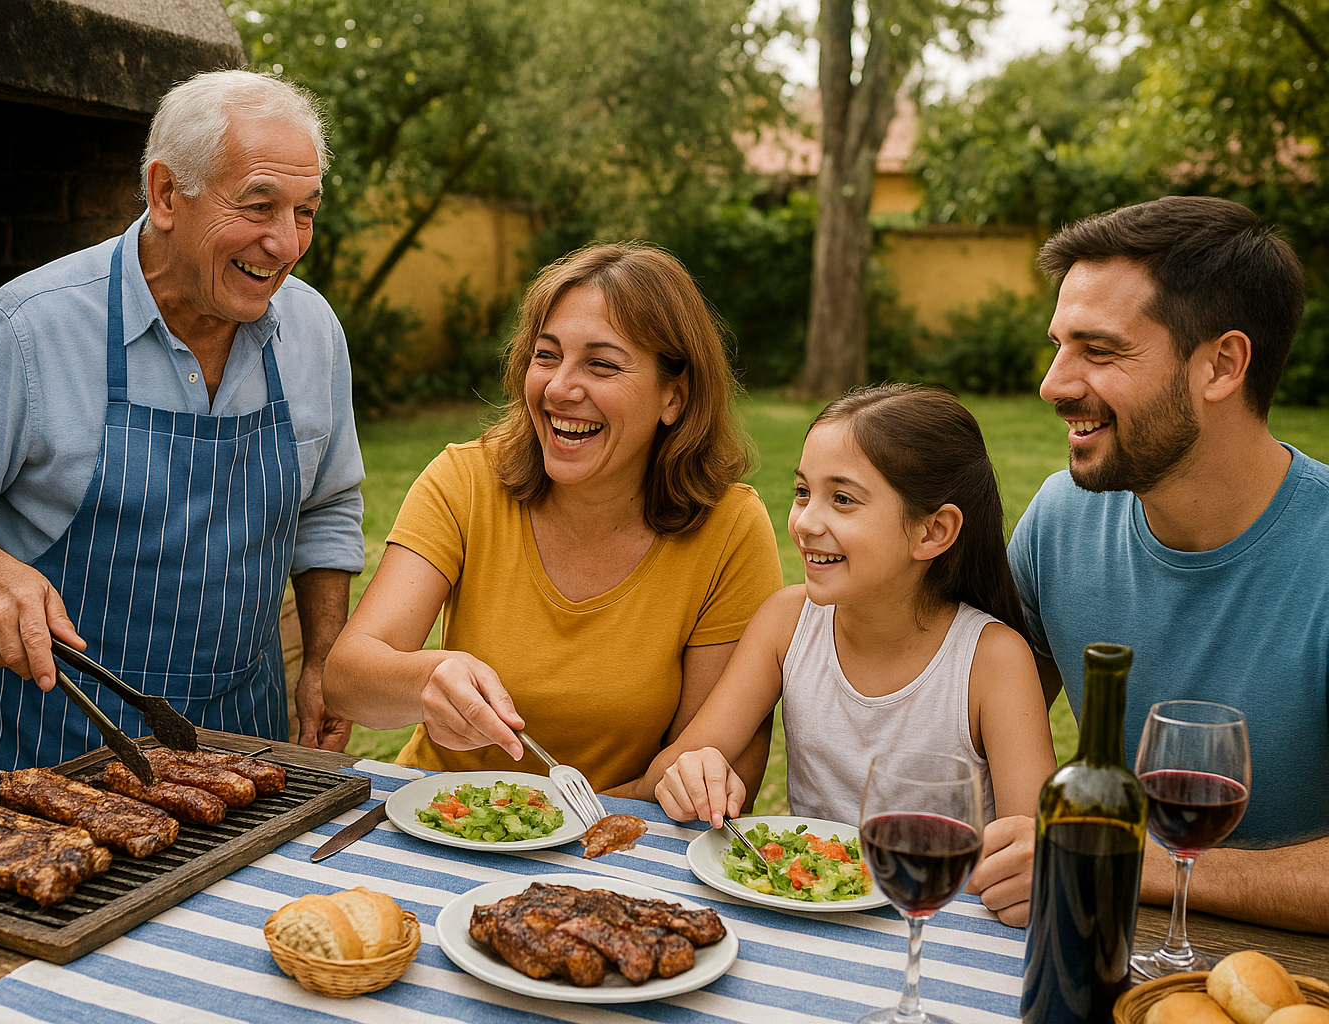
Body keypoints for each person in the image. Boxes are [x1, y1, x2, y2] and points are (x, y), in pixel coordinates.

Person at [0, 70, 366, 792]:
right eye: (259, 205)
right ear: (166, 194)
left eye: (305, 211)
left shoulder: (312, 329)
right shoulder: (31, 327)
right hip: (55, 756)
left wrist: (323, 657)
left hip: (245, 751)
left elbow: (327, 508)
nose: (286, 244)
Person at [322, 242, 783, 793]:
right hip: (436, 820)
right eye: (546, 356)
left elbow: (701, 760)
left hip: (613, 840)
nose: (560, 388)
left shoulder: (728, 528)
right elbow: (346, 678)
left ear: (674, 398)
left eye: (602, 364)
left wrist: (557, 831)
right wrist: (426, 677)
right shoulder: (465, 481)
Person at [1000, 195, 1329, 934]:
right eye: (1058, 344)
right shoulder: (1059, 519)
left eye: (1100, 349)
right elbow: (957, 731)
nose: (1054, 383)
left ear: (1222, 364)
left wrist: (1126, 860)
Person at [640, 384, 1056, 926]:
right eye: (802, 491)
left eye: (842, 499)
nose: (806, 522)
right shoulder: (785, 623)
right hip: (807, 912)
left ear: (933, 531)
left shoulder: (993, 661)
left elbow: (1029, 856)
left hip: (936, 927)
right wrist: (689, 771)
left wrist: (1031, 872)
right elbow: (666, 774)